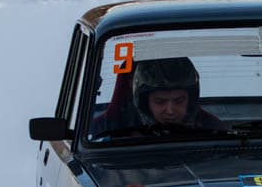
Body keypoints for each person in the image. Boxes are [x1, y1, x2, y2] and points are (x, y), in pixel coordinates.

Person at [89, 57, 224, 137]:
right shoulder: (107, 131)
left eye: (179, 100)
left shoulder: (212, 130)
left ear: (191, 99)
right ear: (143, 101)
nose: (170, 110)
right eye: (160, 101)